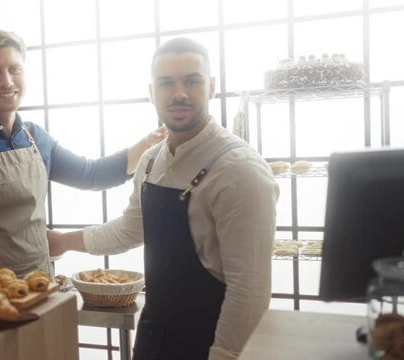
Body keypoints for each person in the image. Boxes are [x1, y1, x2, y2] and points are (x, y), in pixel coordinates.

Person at [48, 38, 279, 360]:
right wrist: (62, 242)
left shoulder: (240, 171)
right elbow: (130, 229)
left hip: (208, 345)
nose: (179, 93)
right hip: (153, 338)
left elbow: (249, 290)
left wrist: (224, 355)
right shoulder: (152, 160)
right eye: (166, 82)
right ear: (151, 92)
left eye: (192, 81)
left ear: (211, 87)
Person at [0, 28, 166, 278]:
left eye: (14, 69)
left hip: (43, 291)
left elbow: (91, 175)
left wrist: (148, 144)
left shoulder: (35, 138)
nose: (7, 81)